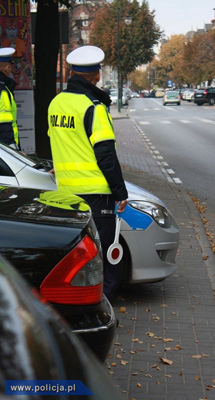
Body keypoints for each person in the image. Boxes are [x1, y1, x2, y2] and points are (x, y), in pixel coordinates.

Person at [47, 45, 128, 302]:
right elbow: (105, 154)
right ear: (96, 74)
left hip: (65, 193)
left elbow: (58, 142)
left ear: (72, 71)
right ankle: (102, 306)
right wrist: (120, 192)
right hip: (96, 195)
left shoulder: (56, 103)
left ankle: (75, 303)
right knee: (102, 254)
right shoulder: (93, 107)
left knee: (74, 254)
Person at [0, 47, 20, 149]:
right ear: (7, 68)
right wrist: (12, 149)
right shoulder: (3, 90)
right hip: (5, 150)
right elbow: (4, 123)